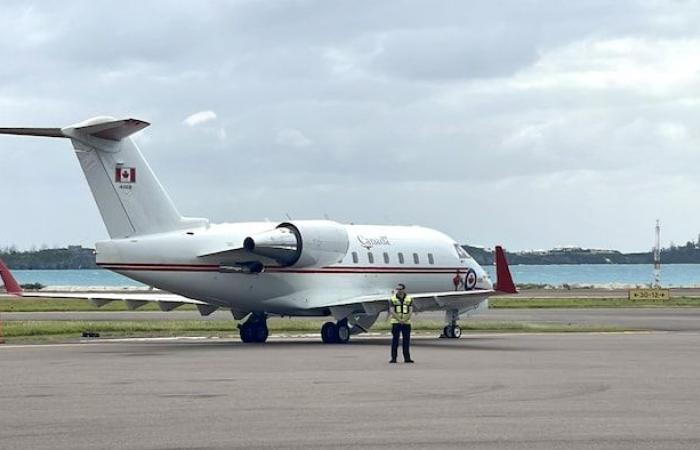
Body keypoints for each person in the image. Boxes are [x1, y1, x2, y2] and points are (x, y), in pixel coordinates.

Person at [389, 283, 414, 363]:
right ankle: (394, 358)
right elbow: (392, 311)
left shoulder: (409, 299)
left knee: (406, 341)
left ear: (404, 289)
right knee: (395, 341)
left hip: (406, 323)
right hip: (396, 322)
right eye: (397, 289)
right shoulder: (393, 299)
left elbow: (410, 311)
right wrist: (399, 319)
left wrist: (404, 320)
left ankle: (407, 358)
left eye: (400, 289)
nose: (399, 291)